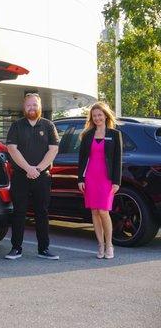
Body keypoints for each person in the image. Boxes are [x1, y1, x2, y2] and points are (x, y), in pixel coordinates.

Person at [5, 93, 59, 260]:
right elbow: (12, 149)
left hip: (42, 177)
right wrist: (28, 168)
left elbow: (53, 149)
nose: (32, 108)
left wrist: (39, 168)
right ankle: (16, 248)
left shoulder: (48, 126)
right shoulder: (16, 126)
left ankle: (44, 249)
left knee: (41, 212)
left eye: (35, 105)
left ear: (40, 107)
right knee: (19, 212)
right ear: (24, 107)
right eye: (29, 105)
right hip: (21, 176)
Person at [77, 102, 122, 259]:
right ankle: (100, 245)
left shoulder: (114, 134)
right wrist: (80, 178)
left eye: (100, 115)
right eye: (94, 116)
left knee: (103, 211)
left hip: (106, 178)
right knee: (94, 212)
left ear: (105, 116)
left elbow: (117, 160)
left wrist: (117, 181)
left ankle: (109, 244)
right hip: (90, 177)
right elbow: (82, 159)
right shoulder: (87, 135)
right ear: (92, 118)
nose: (97, 118)